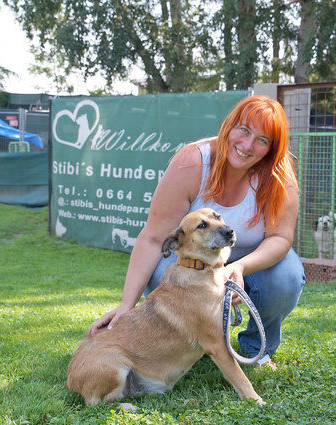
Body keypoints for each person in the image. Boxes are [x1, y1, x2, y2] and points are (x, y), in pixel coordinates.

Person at [89, 95, 305, 366]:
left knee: (285, 278)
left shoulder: (279, 176)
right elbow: (154, 237)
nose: (248, 146)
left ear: (272, 148)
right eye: (245, 130)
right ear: (229, 125)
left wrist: (239, 268)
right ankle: (194, 343)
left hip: (252, 260)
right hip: (196, 258)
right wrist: (125, 304)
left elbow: (280, 238)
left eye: (262, 140)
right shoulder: (192, 161)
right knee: (164, 275)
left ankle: (258, 348)